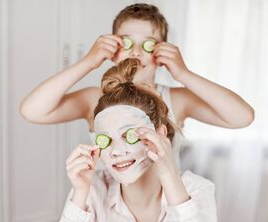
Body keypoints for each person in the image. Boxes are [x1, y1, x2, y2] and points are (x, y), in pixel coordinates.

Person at [41, 58, 222, 222]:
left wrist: (168, 174)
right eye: (105, 139)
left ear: (160, 132)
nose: (116, 151)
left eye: (129, 135)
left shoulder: (196, 190)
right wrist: (80, 194)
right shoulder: (93, 190)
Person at [19, 3, 255, 168]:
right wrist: (88, 62)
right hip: (109, 210)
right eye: (127, 41)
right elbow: (32, 111)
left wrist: (184, 74)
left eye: (149, 44)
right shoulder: (95, 100)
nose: (136, 51)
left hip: (165, 212)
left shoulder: (177, 99)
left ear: (162, 53)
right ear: (112, 49)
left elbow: (242, 117)